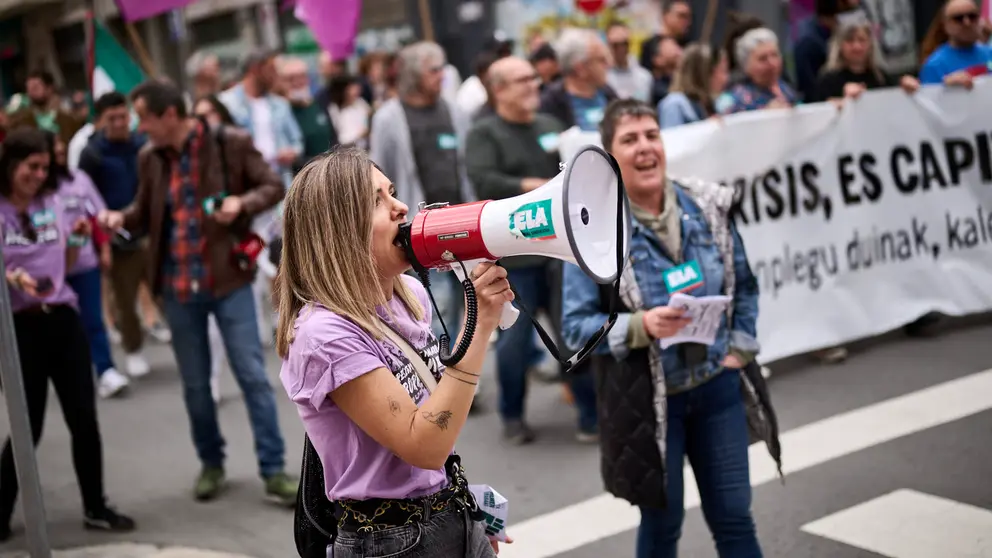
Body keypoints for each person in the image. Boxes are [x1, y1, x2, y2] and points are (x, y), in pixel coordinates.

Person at [562, 100, 779, 558]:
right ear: (609, 156)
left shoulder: (706, 205)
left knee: (735, 517)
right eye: (629, 139)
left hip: (717, 387)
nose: (644, 148)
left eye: (651, 135)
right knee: (663, 526)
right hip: (650, 399)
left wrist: (739, 347)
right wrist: (641, 325)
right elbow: (575, 328)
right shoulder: (591, 230)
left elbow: (745, 284)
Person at [277, 148, 512, 557]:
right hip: (389, 540)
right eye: (377, 202)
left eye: (393, 192)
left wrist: (462, 513)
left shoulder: (410, 295)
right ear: (337, 231)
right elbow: (423, 445)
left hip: (445, 507)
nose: (401, 208)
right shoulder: (324, 336)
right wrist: (480, 328)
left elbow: (435, 407)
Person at [98, 80, 298, 505]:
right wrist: (119, 217)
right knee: (194, 385)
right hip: (176, 286)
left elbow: (273, 185)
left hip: (228, 280)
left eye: (145, 117)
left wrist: (241, 204)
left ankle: (273, 469)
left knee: (252, 377)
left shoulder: (230, 142)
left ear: (169, 115)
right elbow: (144, 211)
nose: (140, 126)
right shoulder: (149, 157)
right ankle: (211, 463)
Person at [0, 128, 135, 539]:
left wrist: (79, 238)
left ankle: (96, 507)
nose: (40, 174)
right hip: (18, 328)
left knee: (84, 419)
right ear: (11, 164)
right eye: (32, 166)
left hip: (62, 317)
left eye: (45, 167)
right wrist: (10, 276)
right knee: (29, 424)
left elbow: (71, 262)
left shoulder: (53, 199)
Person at [369, 41, 476, 338]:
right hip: (420, 229)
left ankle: (458, 369)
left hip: (461, 221)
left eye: (443, 68)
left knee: (468, 300)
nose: (442, 75)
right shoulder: (388, 118)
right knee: (434, 308)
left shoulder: (455, 112)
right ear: (414, 75)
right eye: (433, 70)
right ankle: (439, 375)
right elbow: (378, 176)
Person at [78, 91, 166, 378]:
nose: (119, 123)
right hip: (117, 238)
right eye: (111, 118)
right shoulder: (91, 153)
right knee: (125, 300)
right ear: (101, 121)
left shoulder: (144, 145)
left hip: (151, 233)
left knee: (164, 290)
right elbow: (84, 196)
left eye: (123, 116)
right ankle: (133, 349)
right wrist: (101, 232)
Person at [54, 130, 128, 398]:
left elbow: (99, 214)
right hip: (50, 271)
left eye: (63, 153)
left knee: (93, 320)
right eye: (55, 154)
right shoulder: (33, 191)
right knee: (63, 329)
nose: (60, 158)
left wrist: (104, 246)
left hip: (84, 264)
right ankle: (70, 377)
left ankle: (106, 370)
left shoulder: (79, 179)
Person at [811, 21, 921, 102]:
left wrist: (905, 86)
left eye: (861, 40)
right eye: (850, 40)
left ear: (870, 45)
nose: (857, 46)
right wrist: (843, 102)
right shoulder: (827, 80)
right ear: (840, 46)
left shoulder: (880, 77)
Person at [540, 28, 618, 131]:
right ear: (580, 68)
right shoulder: (550, 105)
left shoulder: (609, 95)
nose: (609, 64)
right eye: (601, 60)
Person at [716, 28, 799, 114]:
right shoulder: (733, 101)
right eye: (762, 59)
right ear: (746, 66)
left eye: (774, 55)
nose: (772, 63)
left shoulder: (785, 88)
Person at [919, 0, 992, 86]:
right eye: (958, 18)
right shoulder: (934, 65)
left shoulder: (989, 53)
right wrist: (946, 88)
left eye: (972, 16)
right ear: (945, 25)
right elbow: (927, 97)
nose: (967, 23)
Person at [658, 44, 729, 128]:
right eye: (722, 71)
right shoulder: (674, 105)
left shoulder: (709, 103)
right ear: (704, 74)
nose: (725, 78)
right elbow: (673, 140)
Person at [606, 21, 654, 102]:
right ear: (608, 44)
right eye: (615, 45)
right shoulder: (603, 78)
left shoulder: (644, 77)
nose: (621, 49)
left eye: (625, 44)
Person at [639, 0, 693, 71]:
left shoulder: (690, 46)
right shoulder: (650, 45)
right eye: (681, 16)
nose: (686, 21)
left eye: (688, 17)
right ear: (665, 16)